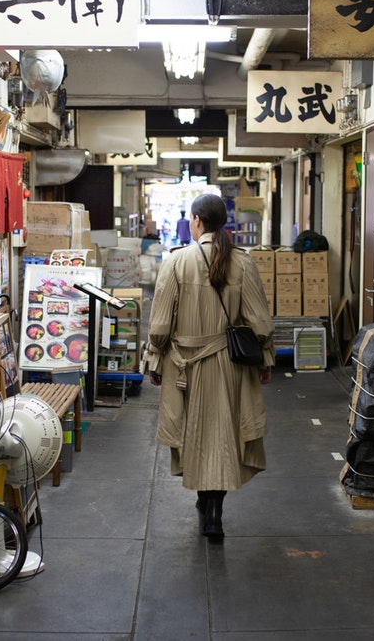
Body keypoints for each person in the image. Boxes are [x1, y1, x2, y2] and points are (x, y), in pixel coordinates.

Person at [141, 194, 274, 541]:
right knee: (225, 436)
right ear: (223, 223)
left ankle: (205, 504)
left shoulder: (176, 262)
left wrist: (154, 360)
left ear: (196, 221)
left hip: (185, 366)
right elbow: (259, 320)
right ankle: (215, 513)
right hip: (231, 365)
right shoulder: (243, 263)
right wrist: (265, 358)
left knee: (193, 436)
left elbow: (158, 326)